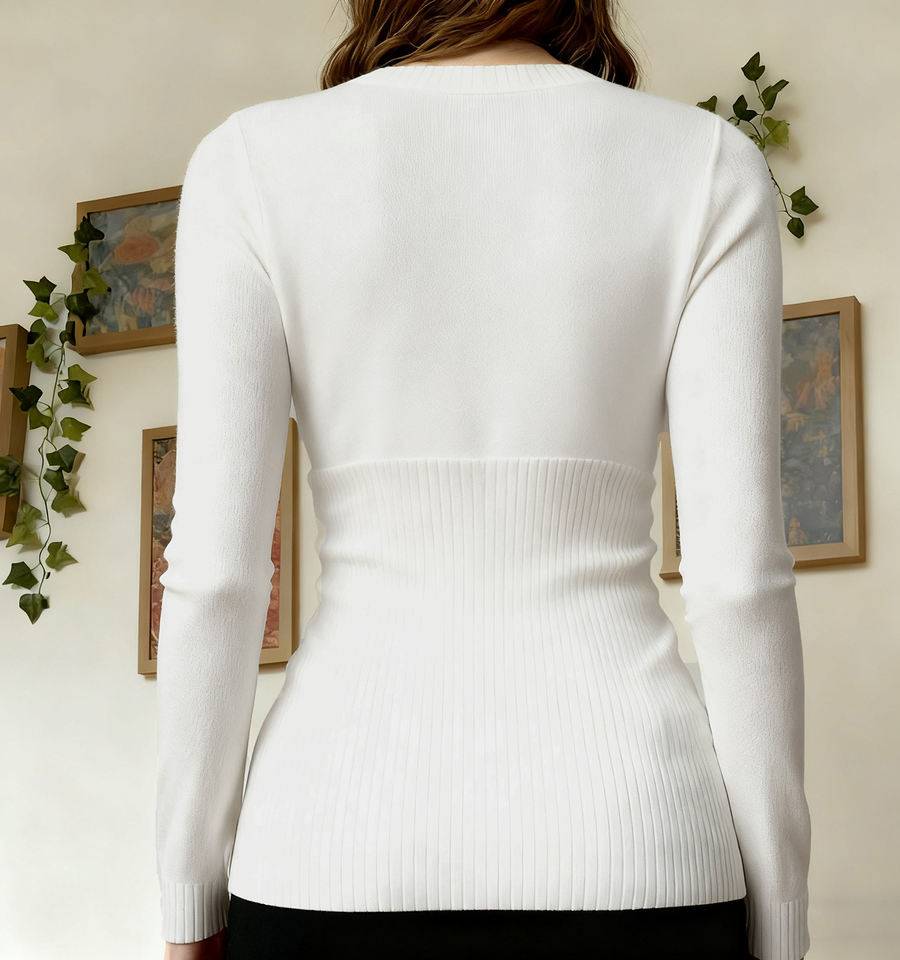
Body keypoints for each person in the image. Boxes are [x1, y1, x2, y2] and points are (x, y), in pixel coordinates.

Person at [155, 3, 811, 959]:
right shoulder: (707, 163)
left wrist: (187, 898)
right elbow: (740, 580)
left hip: (329, 841)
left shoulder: (249, 163)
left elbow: (217, 577)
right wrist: (781, 914)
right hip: (636, 835)